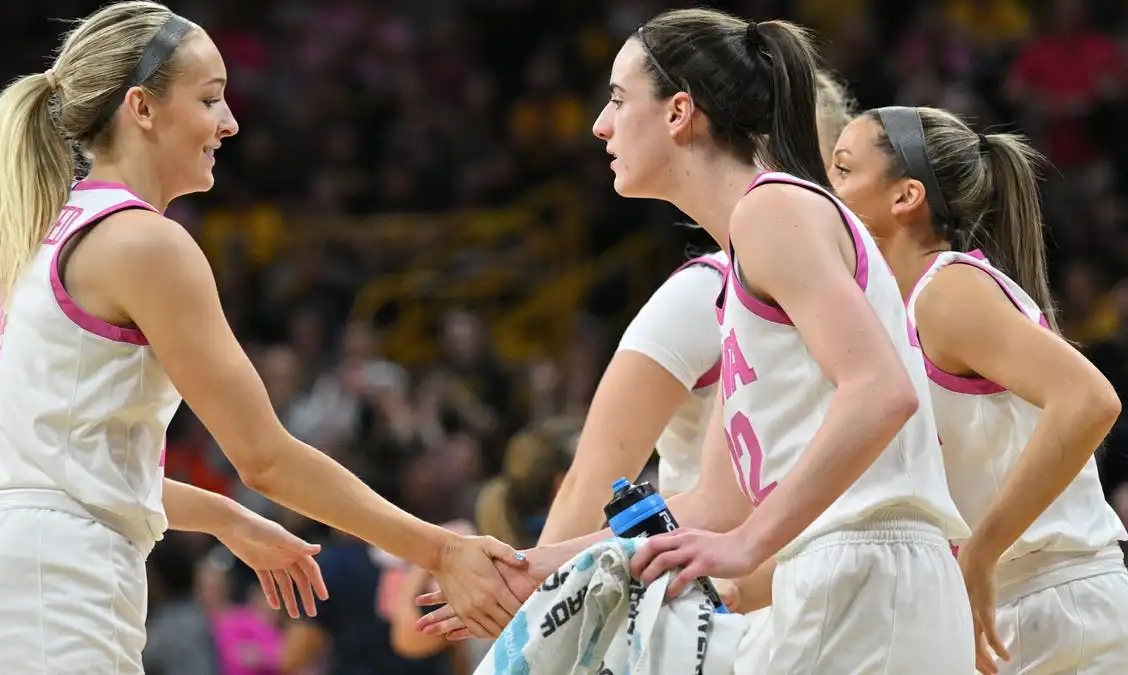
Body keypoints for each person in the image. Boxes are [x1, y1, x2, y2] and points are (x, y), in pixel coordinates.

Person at [0, 3, 523, 673]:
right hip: (48, 583)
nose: (229, 121)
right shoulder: (144, 242)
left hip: (20, 573)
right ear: (143, 108)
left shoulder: (54, 232)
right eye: (210, 98)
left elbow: (72, 470)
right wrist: (438, 549)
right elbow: (264, 457)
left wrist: (227, 518)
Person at [417, 10, 973, 673]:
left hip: (861, 572)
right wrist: (529, 565)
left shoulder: (773, 209)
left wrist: (747, 543)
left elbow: (882, 392)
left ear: (680, 112)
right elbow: (716, 501)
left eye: (620, 100)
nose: (599, 123)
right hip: (850, 576)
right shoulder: (736, 266)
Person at [535, 68, 856, 673]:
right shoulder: (701, 294)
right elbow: (592, 484)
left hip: (818, 595)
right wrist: (536, 633)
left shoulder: (861, 290)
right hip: (712, 620)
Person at [830, 106, 1128, 674]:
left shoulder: (948, 290)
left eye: (843, 170)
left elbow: (1090, 400)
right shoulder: (903, 307)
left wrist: (981, 553)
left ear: (905, 197)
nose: (827, 190)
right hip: (1016, 605)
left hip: (1051, 598)